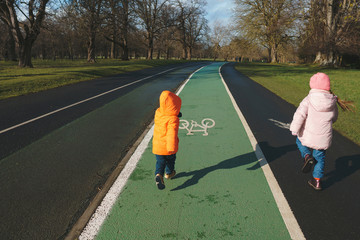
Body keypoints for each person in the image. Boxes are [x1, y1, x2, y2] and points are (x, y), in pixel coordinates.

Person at [290, 73, 338, 191]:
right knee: (320, 158)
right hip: (323, 137)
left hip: (308, 134)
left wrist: (294, 129)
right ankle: (317, 182)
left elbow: (300, 114)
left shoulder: (309, 99)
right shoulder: (332, 101)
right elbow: (334, 117)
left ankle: (306, 156)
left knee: (299, 141)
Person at [152, 90, 182, 190]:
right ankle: (169, 173)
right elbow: (171, 134)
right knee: (170, 161)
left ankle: (158, 175)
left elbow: (167, 113)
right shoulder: (173, 119)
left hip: (157, 146)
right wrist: (171, 148)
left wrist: (176, 114)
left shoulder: (158, 113)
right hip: (167, 147)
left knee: (160, 162)